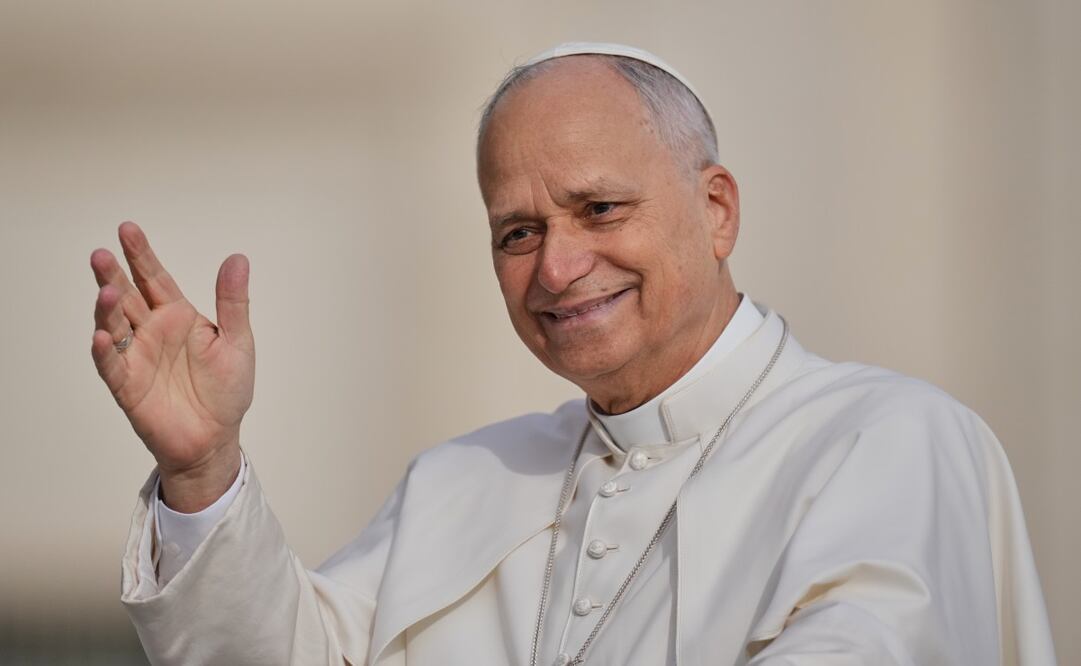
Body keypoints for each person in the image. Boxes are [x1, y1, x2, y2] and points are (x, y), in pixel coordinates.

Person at [91, 43, 1056, 665]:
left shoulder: (885, 441)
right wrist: (203, 469)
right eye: (517, 233)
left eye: (599, 209)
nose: (556, 267)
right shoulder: (461, 481)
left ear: (715, 210)